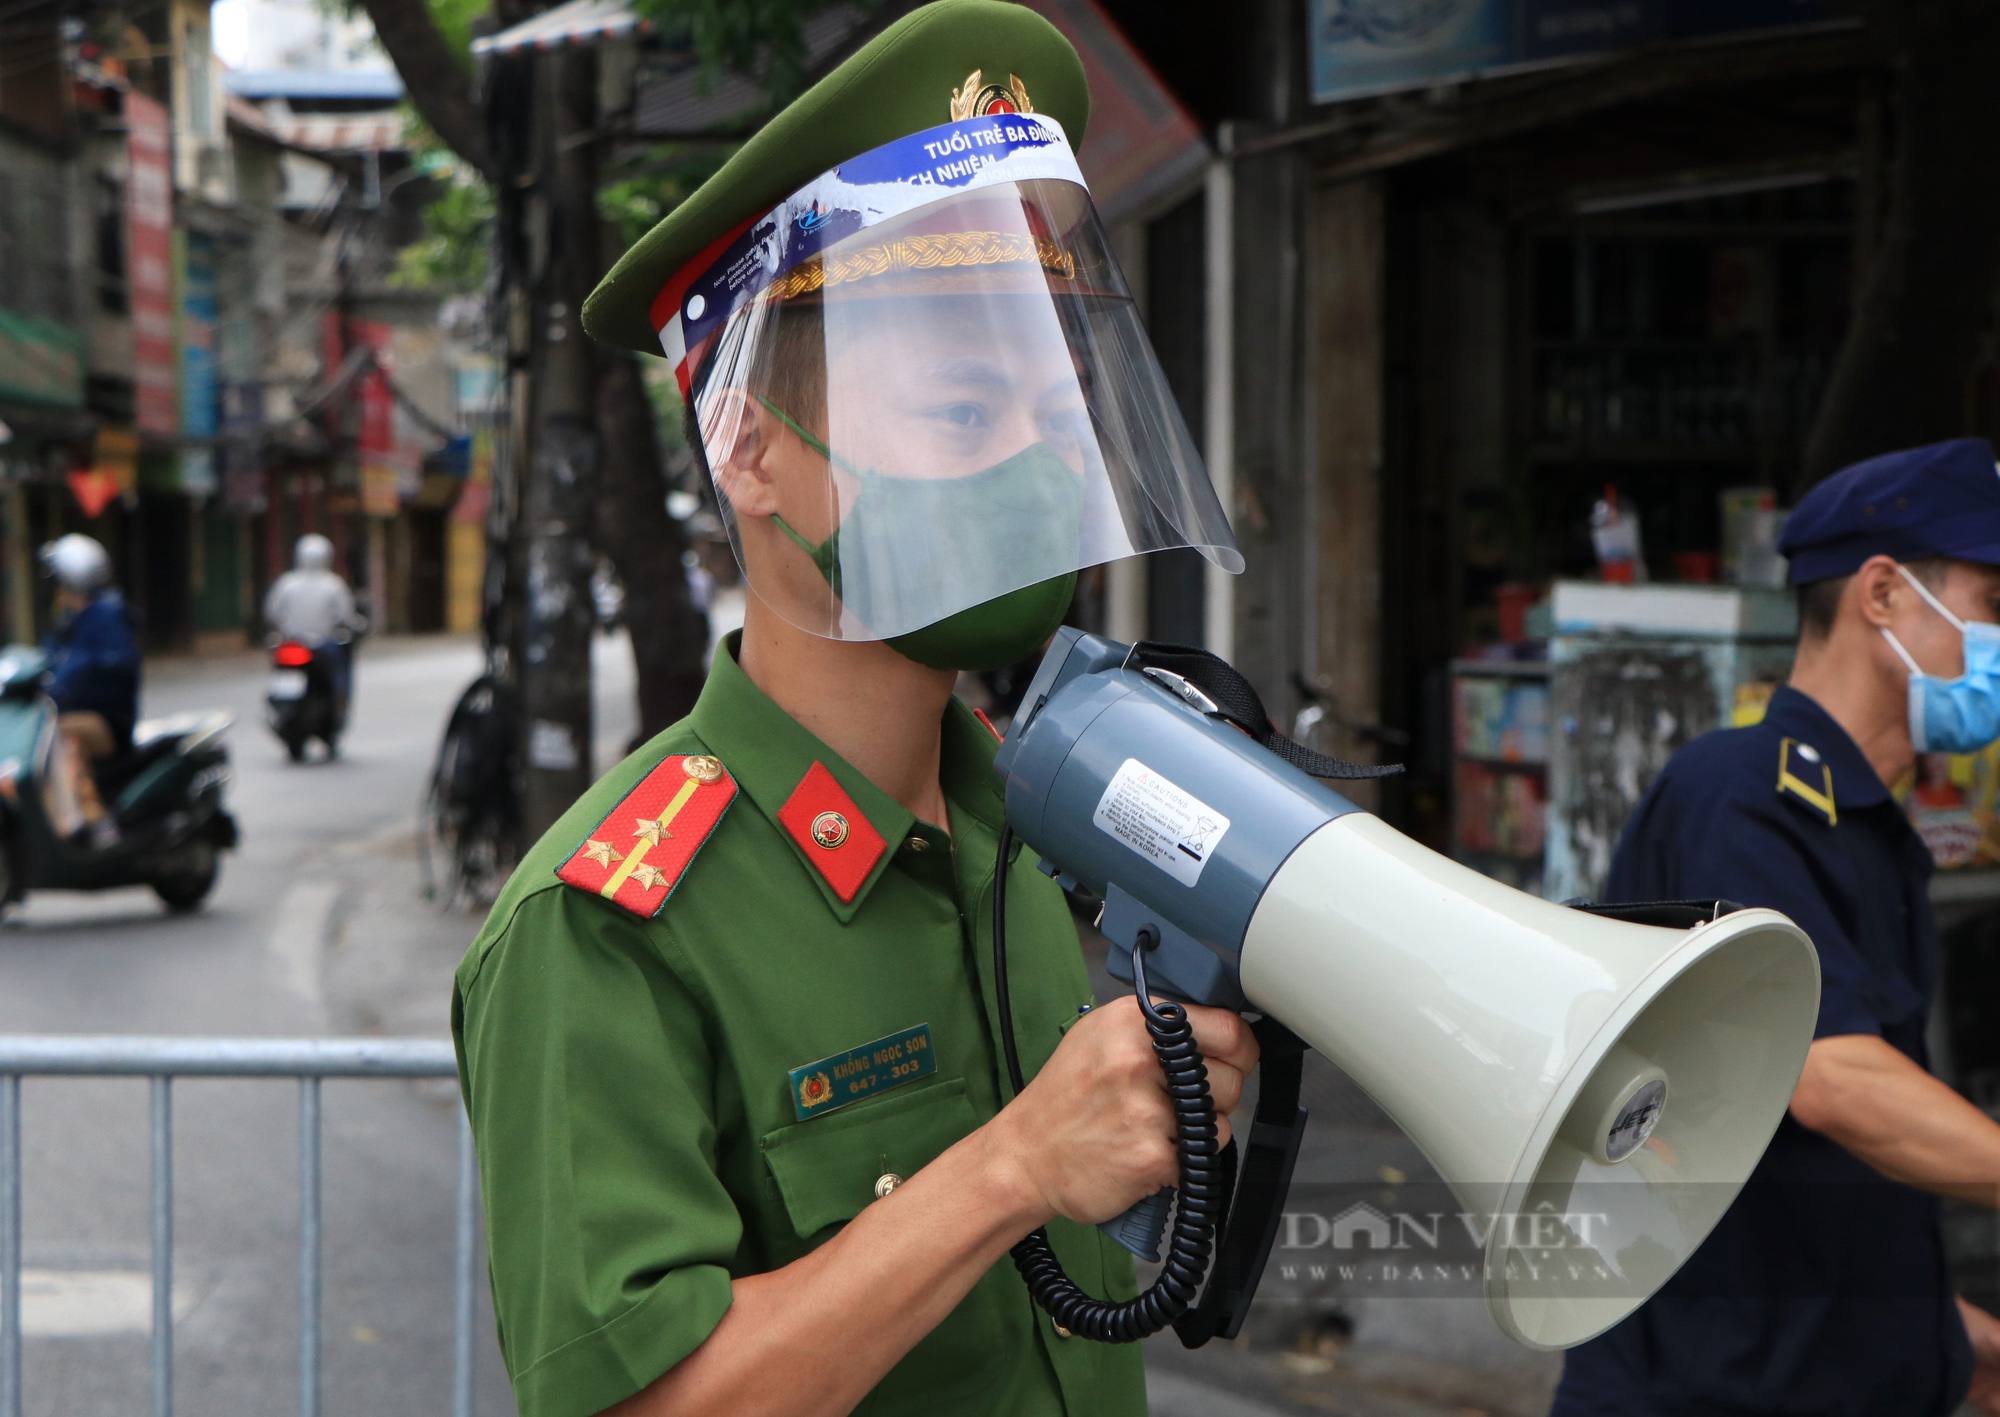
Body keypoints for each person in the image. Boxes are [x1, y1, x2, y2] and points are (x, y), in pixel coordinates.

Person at [453, 5, 1254, 1415]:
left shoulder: (1020, 826)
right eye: (961, 413)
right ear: (754, 452)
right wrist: (1013, 1168)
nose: (1034, 472)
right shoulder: (603, 929)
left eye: (1055, 420)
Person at [1552, 437, 2000, 1417]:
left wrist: (1953, 1341)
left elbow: (1810, 1191)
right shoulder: (1741, 800)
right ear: (1880, 595)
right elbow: (1832, 1084)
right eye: (1990, 603)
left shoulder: (1869, 833)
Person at [39, 533, 139, 848]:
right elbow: (48, 659)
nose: (58, 593)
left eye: (61, 584)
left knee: (60, 735)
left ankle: (94, 820)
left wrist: (72, 678)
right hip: (69, 711)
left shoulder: (107, 616)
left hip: (108, 723)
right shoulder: (70, 622)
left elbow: (117, 660)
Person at [263, 533, 361, 713]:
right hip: (323, 645)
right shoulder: (333, 583)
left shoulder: (286, 583)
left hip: (291, 642)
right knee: (340, 667)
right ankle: (340, 700)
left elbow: (272, 612)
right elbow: (346, 616)